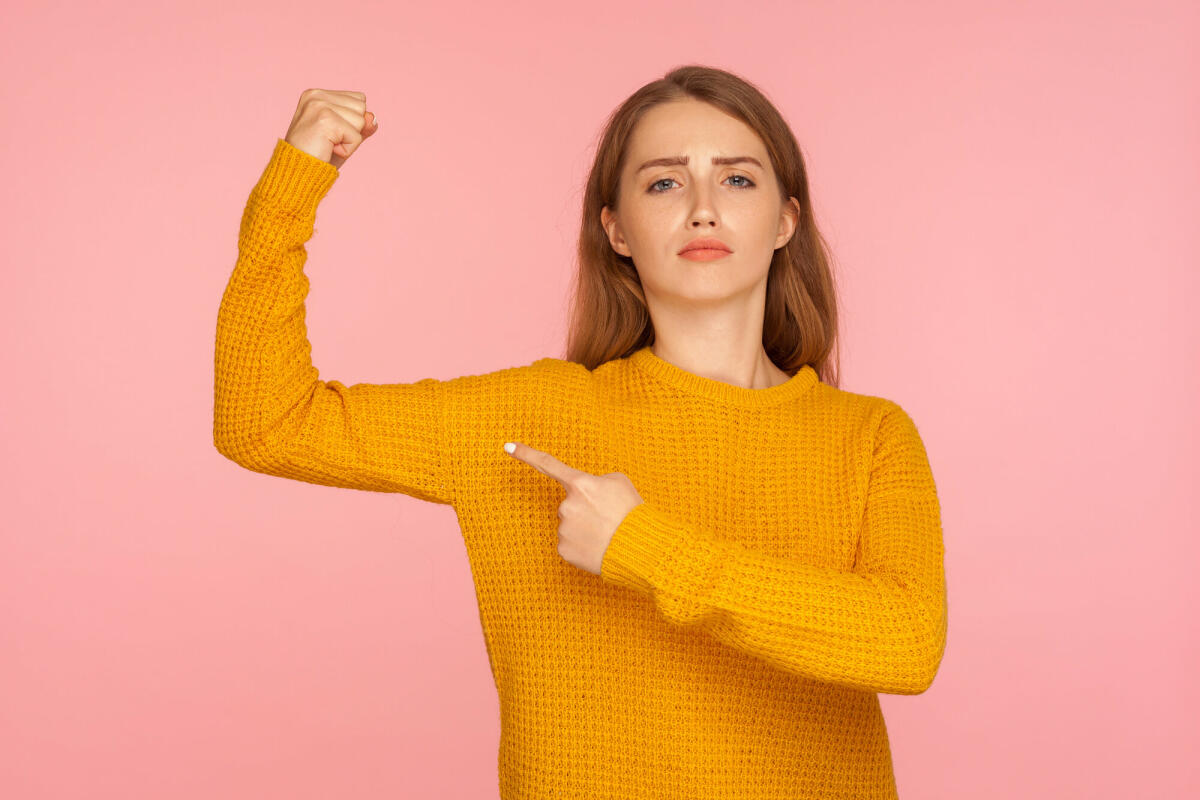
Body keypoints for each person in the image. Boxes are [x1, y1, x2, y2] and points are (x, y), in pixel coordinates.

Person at [214, 64, 947, 799]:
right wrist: (293, 186)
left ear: (786, 221)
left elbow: (908, 644)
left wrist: (644, 547)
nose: (702, 209)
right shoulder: (531, 417)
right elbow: (265, 421)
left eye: (737, 180)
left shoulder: (871, 435)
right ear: (616, 229)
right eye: (663, 182)